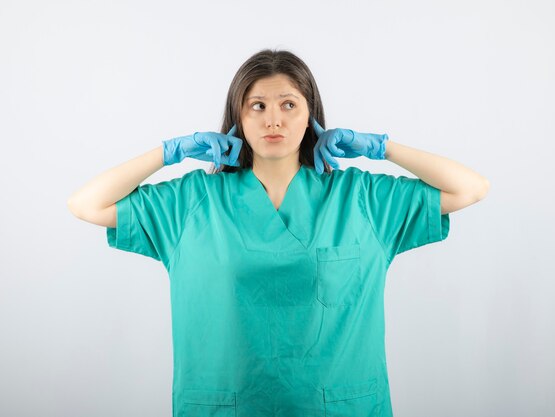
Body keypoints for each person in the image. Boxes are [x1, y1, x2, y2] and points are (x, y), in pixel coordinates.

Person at [67, 48, 490, 417]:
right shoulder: (193, 201)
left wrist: (381, 148)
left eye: (289, 105)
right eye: (258, 106)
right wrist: (169, 152)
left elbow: (470, 188)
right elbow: (86, 204)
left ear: (311, 117)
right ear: (238, 117)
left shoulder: (360, 198)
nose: (274, 119)